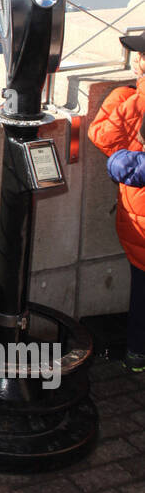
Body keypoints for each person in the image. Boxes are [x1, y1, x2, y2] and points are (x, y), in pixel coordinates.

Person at [88, 32, 145, 372]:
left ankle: (138, 353)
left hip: (139, 217)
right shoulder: (128, 97)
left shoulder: (127, 98)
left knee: (142, 289)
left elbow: (105, 143)